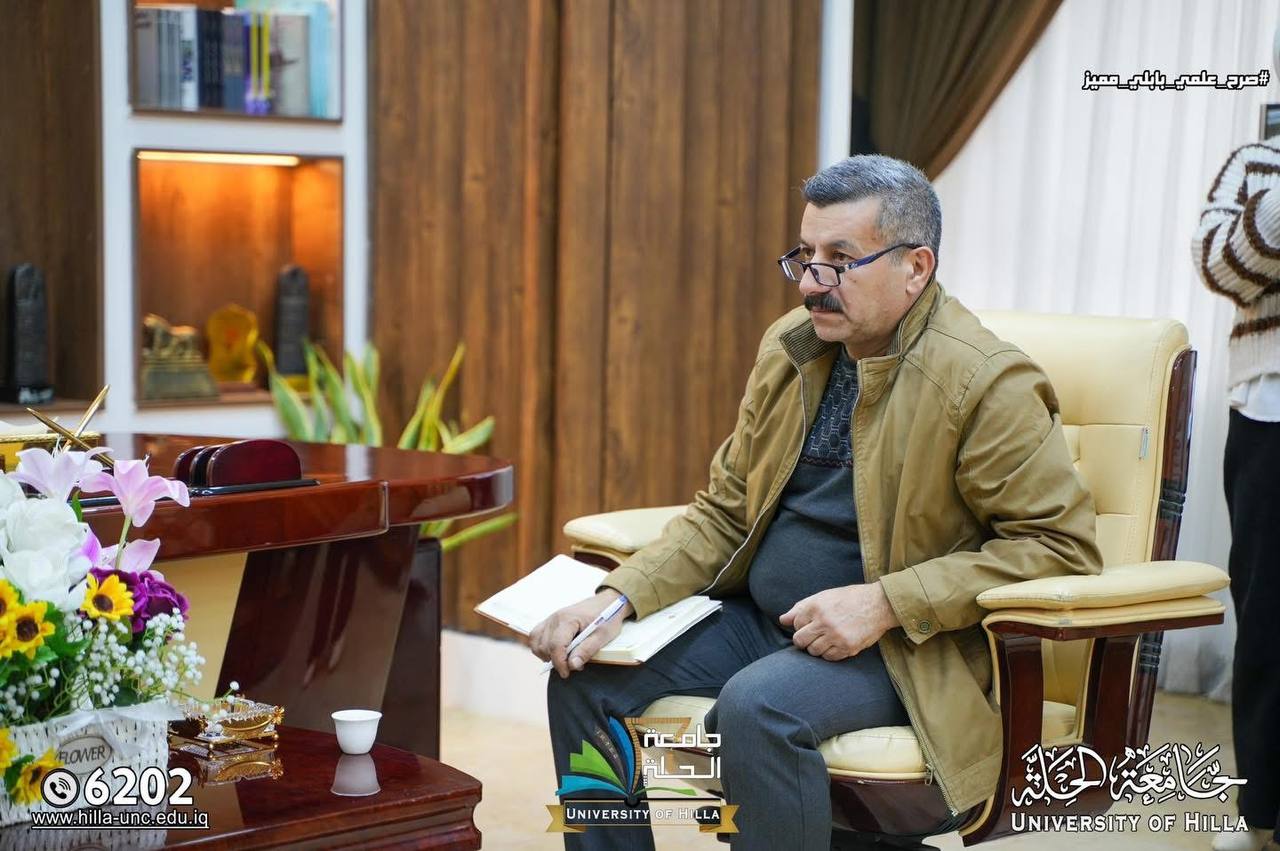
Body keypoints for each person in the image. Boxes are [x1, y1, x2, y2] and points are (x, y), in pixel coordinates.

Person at [533, 154, 1103, 851]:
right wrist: (615, 600)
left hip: (903, 650)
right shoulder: (793, 349)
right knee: (584, 675)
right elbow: (727, 510)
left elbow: (1058, 548)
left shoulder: (984, 382)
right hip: (762, 622)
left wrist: (885, 602)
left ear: (915, 267)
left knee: (757, 707)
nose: (810, 283)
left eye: (840, 260)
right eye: (805, 256)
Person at [1192, 138, 1280, 851]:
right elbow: (1219, 264)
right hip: (1271, 411)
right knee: (1269, 617)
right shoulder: (1256, 162)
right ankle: (1264, 812)